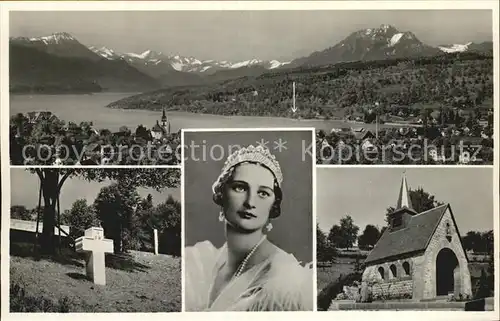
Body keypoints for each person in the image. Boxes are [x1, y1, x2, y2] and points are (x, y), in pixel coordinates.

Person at [185, 145, 313, 311]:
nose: (250, 202)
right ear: (222, 193)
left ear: (273, 204)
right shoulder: (200, 262)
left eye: (263, 193)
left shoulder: (285, 281)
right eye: (240, 187)